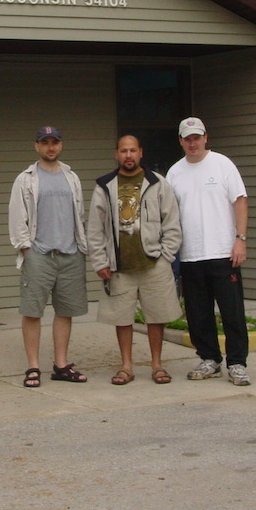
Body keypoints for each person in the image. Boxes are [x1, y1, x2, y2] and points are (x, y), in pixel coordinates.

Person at [86, 135, 182, 386]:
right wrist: (100, 261)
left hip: (153, 263)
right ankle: (126, 366)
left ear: (141, 152)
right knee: (122, 317)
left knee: (156, 316)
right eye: (123, 151)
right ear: (116, 154)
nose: (128, 155)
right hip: (120, 266)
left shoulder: (157, 183)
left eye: (132, 151)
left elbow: (172, 223)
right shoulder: (105, 186)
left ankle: (157, 365)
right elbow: (95, 229)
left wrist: (166, 257)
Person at [166, 117, 251, 386]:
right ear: (180, 141)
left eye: (197, 137)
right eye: (187, 138)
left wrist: (240, 239)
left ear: (205, 138)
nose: (193, 143)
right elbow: (167, 214)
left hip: (223, 253)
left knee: (232, 312)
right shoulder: (174, 173)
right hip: (190, 256)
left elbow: (240, 202)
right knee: (198, 314)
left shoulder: (222, 164)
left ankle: (236, 363)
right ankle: (209, 359)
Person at [8, 125, 89, 388]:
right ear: (37, 146)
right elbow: (17, 218)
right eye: (45, 143)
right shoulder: (26, 178)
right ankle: (33, 366)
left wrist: (80, 246)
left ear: (60, 146)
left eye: (54, 142)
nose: (50, 147)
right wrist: (25, 249)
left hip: (70, 254)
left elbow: (80, 215)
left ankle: (61, 365)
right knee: (32, 311)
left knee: (65, 311)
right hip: (39, 254)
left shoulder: (71, 176)